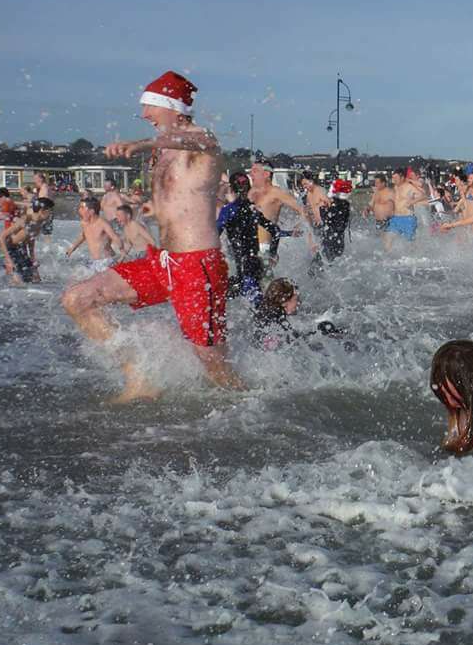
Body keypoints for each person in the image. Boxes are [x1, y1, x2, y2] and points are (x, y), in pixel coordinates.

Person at [61, 70, 245, 400]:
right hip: (163, 262)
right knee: (79, 299)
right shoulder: (162, 151)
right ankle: (138, 377)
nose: (145, 115)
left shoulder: (201, 140)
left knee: (211, 361)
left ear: (174, 108)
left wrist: (142, 143)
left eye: (150, 106)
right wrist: (154, 208)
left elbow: (196, 141)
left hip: (198, 265)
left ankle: (251, 400)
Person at [217, 170, 286, 303]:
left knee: (236, 301)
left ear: (231, 189)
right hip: (255, 264)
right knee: (254, 299)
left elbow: (214, 236)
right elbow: (276, 231)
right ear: (249, 187)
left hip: (244, 267)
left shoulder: (228, 211)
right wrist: (272, 254)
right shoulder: (252, 209)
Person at [249, 159, 316, 265]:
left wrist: (310, 238)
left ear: (266, 174)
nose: (250, 174)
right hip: (246, 248)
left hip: (264, 249)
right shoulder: (249, 193)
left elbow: (303, 211)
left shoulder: (276, 192)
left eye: (255, 171)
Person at [0, 198, 54, 284]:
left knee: (36, 279)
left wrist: (33, 260)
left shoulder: (40, 223)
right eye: (50, 211)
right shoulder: (25, 220)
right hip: (6, 248)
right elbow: (1, 237)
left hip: (20, 248)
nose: (51, 214)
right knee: (18, 282)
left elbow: (31, 240)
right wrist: (8, 260)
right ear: (42, 211)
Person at [65, 197, 122, 276]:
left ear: (91, 211)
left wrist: (123, 253)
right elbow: (83, 235)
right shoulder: (84, 223)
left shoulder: (102, 223)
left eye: (82, 208)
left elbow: (115, 237)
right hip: (95, 261)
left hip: (106, 261)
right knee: (76, 275)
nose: (79, 210)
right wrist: (72, 248)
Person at [366, 174, 396, 248]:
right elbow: (371, 204)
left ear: (383, 183)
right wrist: (367, 210)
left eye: (377, 183)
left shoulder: (390, 192)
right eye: (375, 182)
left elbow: (397, 205)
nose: (375, 184)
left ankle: (391, 253)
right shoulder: (376, 193)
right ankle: (386, 253)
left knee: (388, 242)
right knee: (382, 241)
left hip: (388, 220)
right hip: (378, 221)